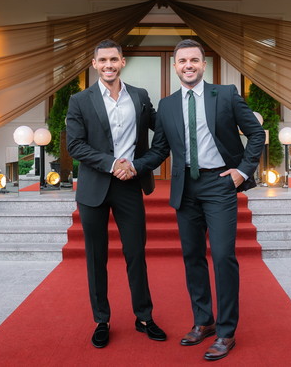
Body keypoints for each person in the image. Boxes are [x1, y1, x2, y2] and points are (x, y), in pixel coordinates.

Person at [122, 39, 264, 361]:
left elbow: (256, 133)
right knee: (193, 257)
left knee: (224, 256)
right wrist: (134, 166)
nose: (188, 65)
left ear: (203, 65)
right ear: (175, 66)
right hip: (185, 187)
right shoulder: (168, 105)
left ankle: (226, 332)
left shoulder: (226, 94)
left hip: (219, 183)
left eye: (194, 60)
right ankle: (204, 321)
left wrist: (242, 171)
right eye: (183, 61)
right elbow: (160, 149)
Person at [66, 39, 166, 348]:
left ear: (122, 62)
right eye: (103, 60)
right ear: (94, 64)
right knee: (96, 257)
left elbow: (162, 129)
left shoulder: (139, 96)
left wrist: (136, 165)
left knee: (136, 253)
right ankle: (102, 320)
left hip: (130, 185)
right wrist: (112, 164)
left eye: (114, 59)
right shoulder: (79, 100)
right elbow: (75, 145)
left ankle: (144, 317)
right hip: (94, 187)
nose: (108, 65)